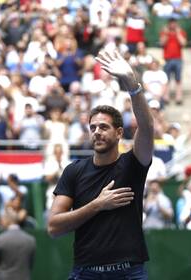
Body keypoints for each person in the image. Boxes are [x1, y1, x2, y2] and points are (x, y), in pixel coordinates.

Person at [48, 48, 154, 279]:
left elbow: (146, 129)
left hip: (129, 272)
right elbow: (54, 226)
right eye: (93, 128)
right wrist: (97, 205)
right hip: (86, 273)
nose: (96, 132)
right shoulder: (74, 171)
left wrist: (132, 85)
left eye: (103, 127)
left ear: (118, 133)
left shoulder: (133, 163)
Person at [0, 209, 36, 280]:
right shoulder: (30, 240)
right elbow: (30, 264)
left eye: (1, 220)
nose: (0, 223)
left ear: (6, 220)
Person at [159, 18, 187, 105]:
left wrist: (178, 33)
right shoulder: (164, 32)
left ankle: (178, 97)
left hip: (178, 59)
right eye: (171, 23)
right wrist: (167, 33)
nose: (172, 25)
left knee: (178, 79)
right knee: (166, 79)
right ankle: (166, 97)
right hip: (167, 59)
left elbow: (183, 43)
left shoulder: (181, 32)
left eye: (174, 23)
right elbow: (162, 43)